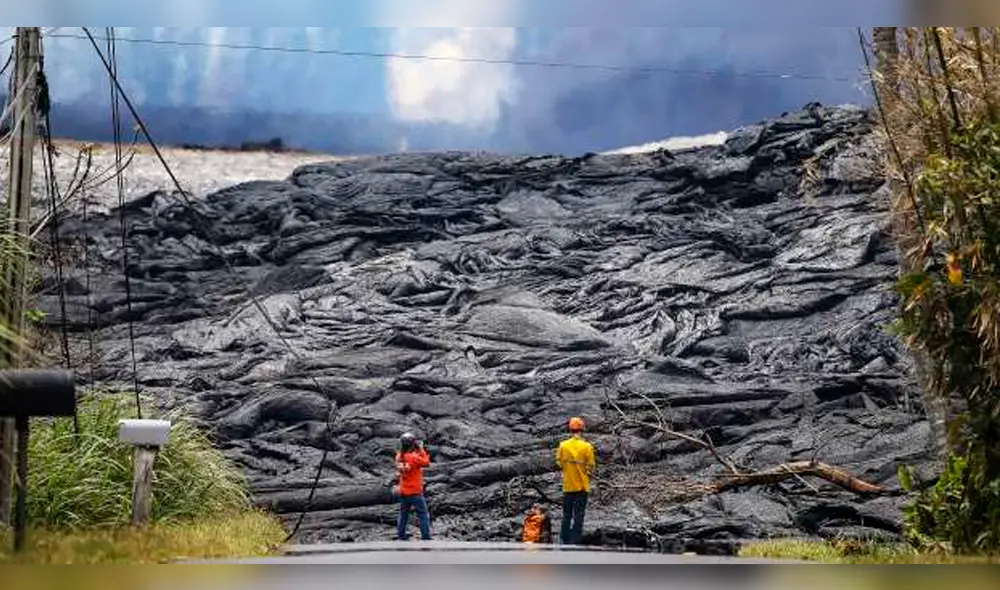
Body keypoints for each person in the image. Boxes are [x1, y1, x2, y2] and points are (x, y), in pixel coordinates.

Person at [555, 416, 595, 546]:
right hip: (582, 487)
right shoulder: (587, 447)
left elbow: (559, 463)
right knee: (579, 515)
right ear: (582, 430)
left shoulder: (563, 445)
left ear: (570, 429)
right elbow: (591, 466)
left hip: (568, 486)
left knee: (566, 514)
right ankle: (575, 540)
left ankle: (563, 539)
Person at [395, 432, 432, 541]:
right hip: (415, 491)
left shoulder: (398, 457)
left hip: (403, 491)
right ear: (412, 444)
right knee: (423, 514)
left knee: (403, 514)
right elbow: (426, 462)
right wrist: (421, 449)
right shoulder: (414, 457)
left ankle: (400, 536)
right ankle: (426, 537)